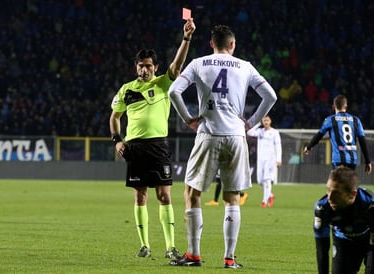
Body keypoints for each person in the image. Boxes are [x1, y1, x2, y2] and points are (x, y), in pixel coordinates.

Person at [168, 25, 277, 268]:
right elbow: (270, 96)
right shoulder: (245, 66)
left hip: (209, 132)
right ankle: (229, 258)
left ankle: (194, 254)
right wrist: (250, 123)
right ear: (232, 45)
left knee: (192, 193)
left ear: (211, 44)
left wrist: (188, 119)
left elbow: (174, 92)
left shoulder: (198, 63)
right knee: (232, 198)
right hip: (236, 136)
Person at [109, 18, 196, 259]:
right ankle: (144, 245)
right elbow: (114, 117)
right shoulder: (126, 89)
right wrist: (117, 140)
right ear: (136, 67)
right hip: (134, 147)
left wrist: (186, 37)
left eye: (148, 66)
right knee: (140, 195)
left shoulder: (163, 84)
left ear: (155, 67)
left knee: (164, 195)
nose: (144, 70)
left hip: (158, 146)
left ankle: (170, 247)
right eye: (140, 66)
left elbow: (177, 66)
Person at [313, 166, 374, 274]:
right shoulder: (322, 208)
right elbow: (322, 250)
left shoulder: (371, 206)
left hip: (372, 240)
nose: (330, 197)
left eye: (336, 193)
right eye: (328, 190)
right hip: (344, 240)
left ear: (352, 194)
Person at [304, 95, 372, 174]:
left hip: (338, 159)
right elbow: (362, 141)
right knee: (348, 185)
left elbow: (319, 135)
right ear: (346, 107)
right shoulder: (356, 120)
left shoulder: (331, 120)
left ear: (333, 107)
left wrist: (309, 147)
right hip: (352, 160)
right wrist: (368, 161)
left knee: (335, 185)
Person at [247, 115, 282, 208]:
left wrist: (279, 159)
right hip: (261, 159)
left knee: (267, 180)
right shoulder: (260, 132)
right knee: (259, 181)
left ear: (270, 121)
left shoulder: (274, 132)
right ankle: (270, 195)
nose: (266, 122)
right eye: (264, 120)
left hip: (270, 159)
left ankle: (264, 201)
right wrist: (258, 123)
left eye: (267, 120)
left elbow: (278, 147)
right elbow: (249, 132)